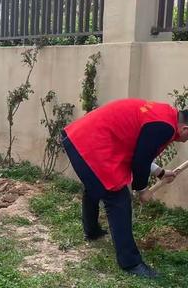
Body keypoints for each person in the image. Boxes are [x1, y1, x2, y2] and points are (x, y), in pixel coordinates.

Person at [62, 99, 188, 279]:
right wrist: (142, 190)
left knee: (95, 184)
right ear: (185, 129)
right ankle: (131, 263)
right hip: (92, 143)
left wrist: (160, 172)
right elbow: (140, 160)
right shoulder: (164, 126)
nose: (184, 142)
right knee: (118, 200)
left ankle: (92, 231)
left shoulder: (164, 115)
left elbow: (137, 149)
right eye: (187, 138)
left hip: (80, 137)